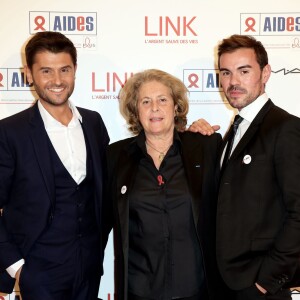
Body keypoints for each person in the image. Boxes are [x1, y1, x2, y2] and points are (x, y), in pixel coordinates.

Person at [105, 69, 232, 300]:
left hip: (196, 289)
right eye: (146, 101)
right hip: (140, 290)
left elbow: (232, 210)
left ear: (176, 107)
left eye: (162, 99)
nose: (155, 107)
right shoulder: (116, 156)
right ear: (136, 110)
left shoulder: (205, 147)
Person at [189, 34, 300, 299]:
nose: (233, 82)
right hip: (225, 284)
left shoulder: (286, 128)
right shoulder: (234, 130)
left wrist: (266, 281)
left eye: (244, 71)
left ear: (265, 73)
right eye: (225, 72)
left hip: (260, 287)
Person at [0, 31, 109, 300]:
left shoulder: (94, 123)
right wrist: (17, 268)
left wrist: (183, 135)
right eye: (46, 71)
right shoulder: (10, 132)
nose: (57, 80)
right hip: (37, 273)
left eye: (64, 70)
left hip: (90, 270)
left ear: (75, 70)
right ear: (28, 73)